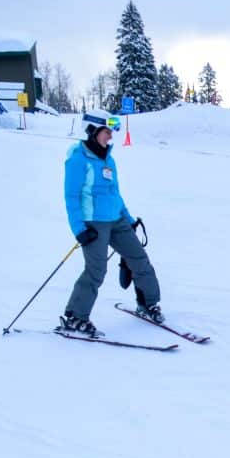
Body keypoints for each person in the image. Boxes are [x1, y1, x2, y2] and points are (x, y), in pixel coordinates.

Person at [60, 109, 164, 336]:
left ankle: (148, 303)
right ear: (92, 130)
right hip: (93, 224)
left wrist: (128, 218)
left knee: (139, 259)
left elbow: (114, 192)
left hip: (117, 220)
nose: (110, 136)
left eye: (110, 132)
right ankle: (75, 317)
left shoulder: (109, 159)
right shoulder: (78, 158)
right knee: (96, 270)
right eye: (106, 131)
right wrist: (79, 229)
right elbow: (71, 196)